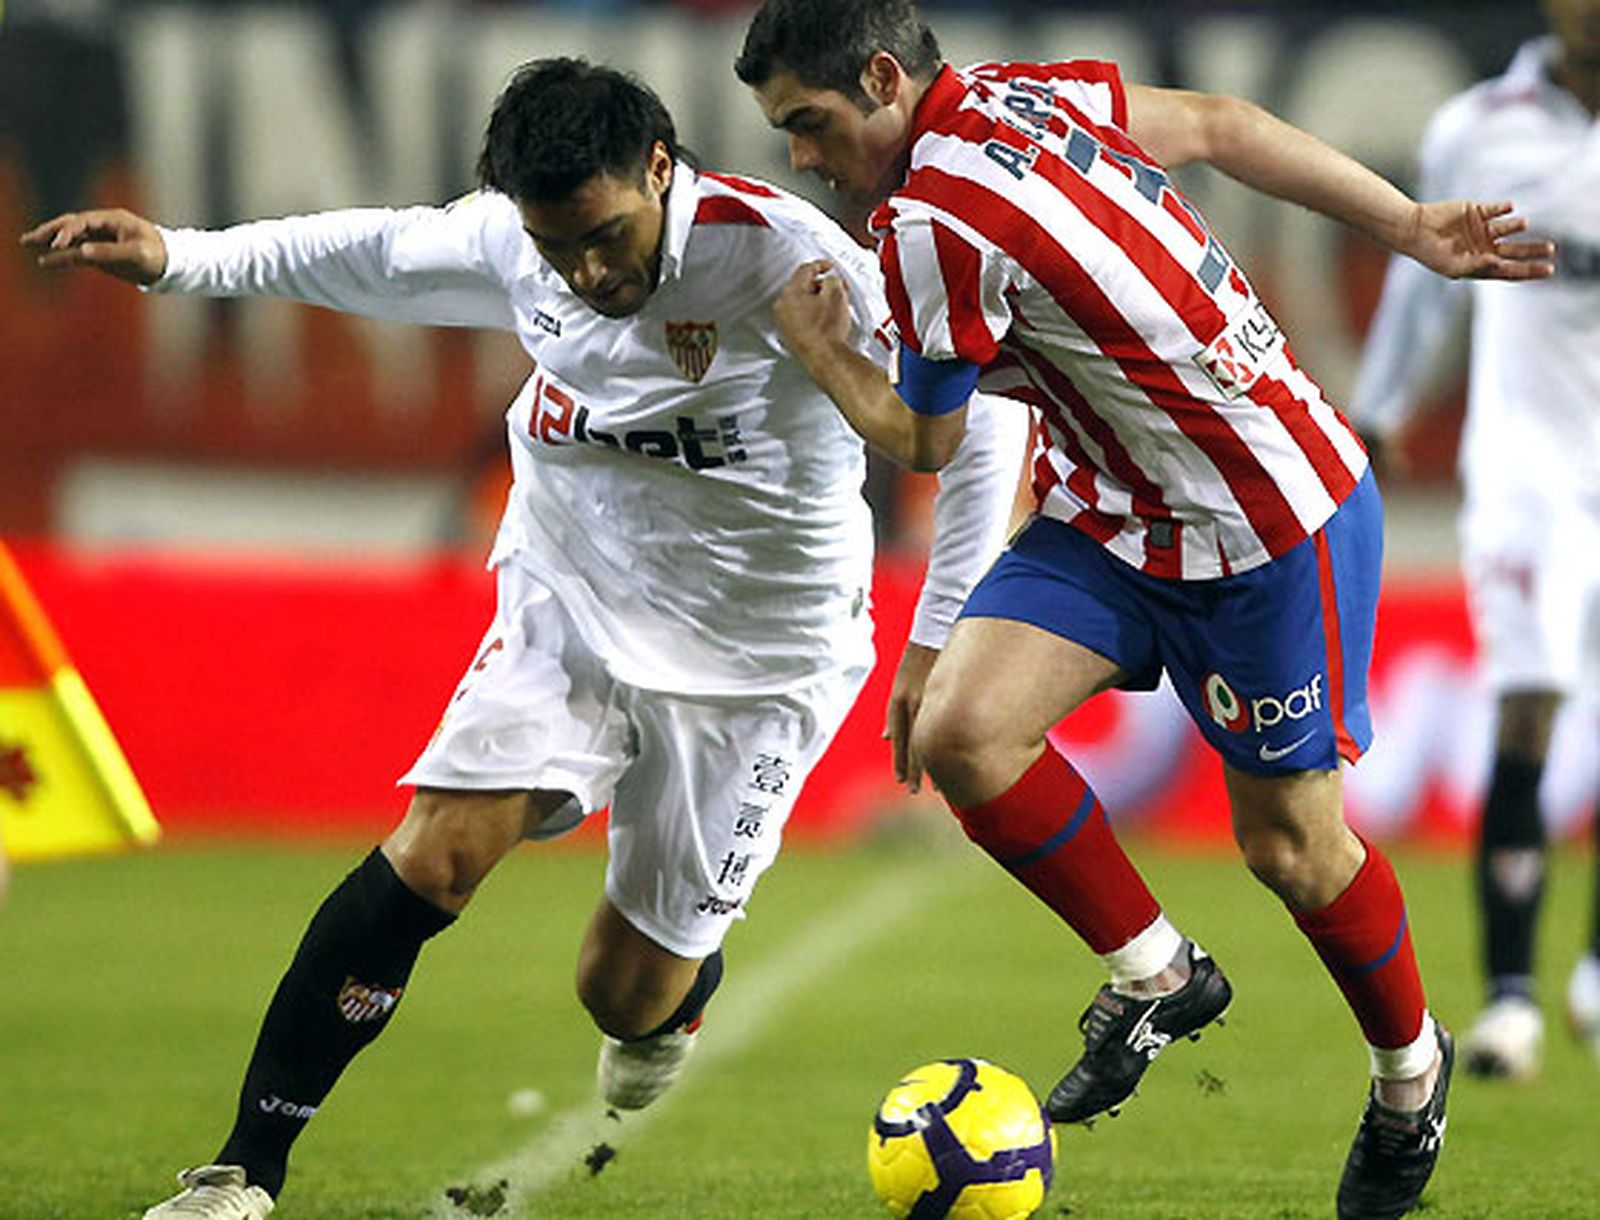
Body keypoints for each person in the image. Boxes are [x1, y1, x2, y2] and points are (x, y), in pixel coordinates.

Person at [23, 57, 1027, 1219]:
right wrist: (178, 257)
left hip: (761, 661)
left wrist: (938, 632)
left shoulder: (786, 256)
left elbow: (984, 416)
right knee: (434, 850)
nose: (587, 273)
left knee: (623, 991)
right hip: (573, 602)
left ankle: (675, 999)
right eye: (559, 249)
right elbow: (377, 253)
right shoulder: (519, 241)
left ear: (660, 167)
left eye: (602, 235)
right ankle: (243, 1169)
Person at [733, 3, 1556, 1217]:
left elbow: (923, 434)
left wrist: (818, 346)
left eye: (810, 124)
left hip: (1271, 525)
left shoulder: (930, 220)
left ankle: (1408, 1075)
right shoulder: (1029, 94)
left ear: (881, 76)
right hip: (1114, 513)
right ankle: (1157, 971)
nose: (803, 155)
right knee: (965, 732)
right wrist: (1410, 225)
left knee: (1292, 848)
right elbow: (1222, 127)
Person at [1350, 0, 1600, 1081]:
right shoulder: (1480, 122)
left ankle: (1591, 971)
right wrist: (1379, 405)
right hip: (1525, 468)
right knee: (1529, 701)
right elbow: (1422, 270)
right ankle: (1509, 998)